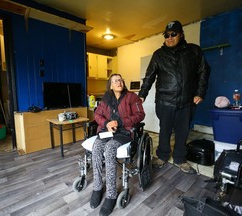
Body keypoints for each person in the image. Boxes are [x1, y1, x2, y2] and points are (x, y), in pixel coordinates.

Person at [138, 20, 210, 174]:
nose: (169, 38)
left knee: (183, 131)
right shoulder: (159, 54)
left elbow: (204, 71)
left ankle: (180, 159)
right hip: (165, 101)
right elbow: (149, 76)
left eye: (173, 34)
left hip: (187, 100)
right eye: (167, 35)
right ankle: (162, 156)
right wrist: (142, 94)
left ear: (181, 34)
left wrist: (200, 92)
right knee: (164, 130)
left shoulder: (194, 51)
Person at [90, 74, 145, 216]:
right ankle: (97, 187)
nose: (119, 82)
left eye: (120, 80)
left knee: (109, 150)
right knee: (96, 147)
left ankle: (111, 194)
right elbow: (97, 115)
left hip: (124, 132)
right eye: (115, 81)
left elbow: (140, 115)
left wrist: (120, 123)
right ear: (111, 85)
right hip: (107, 131)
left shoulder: (132, 97)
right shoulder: (106, 98)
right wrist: (106, 123)